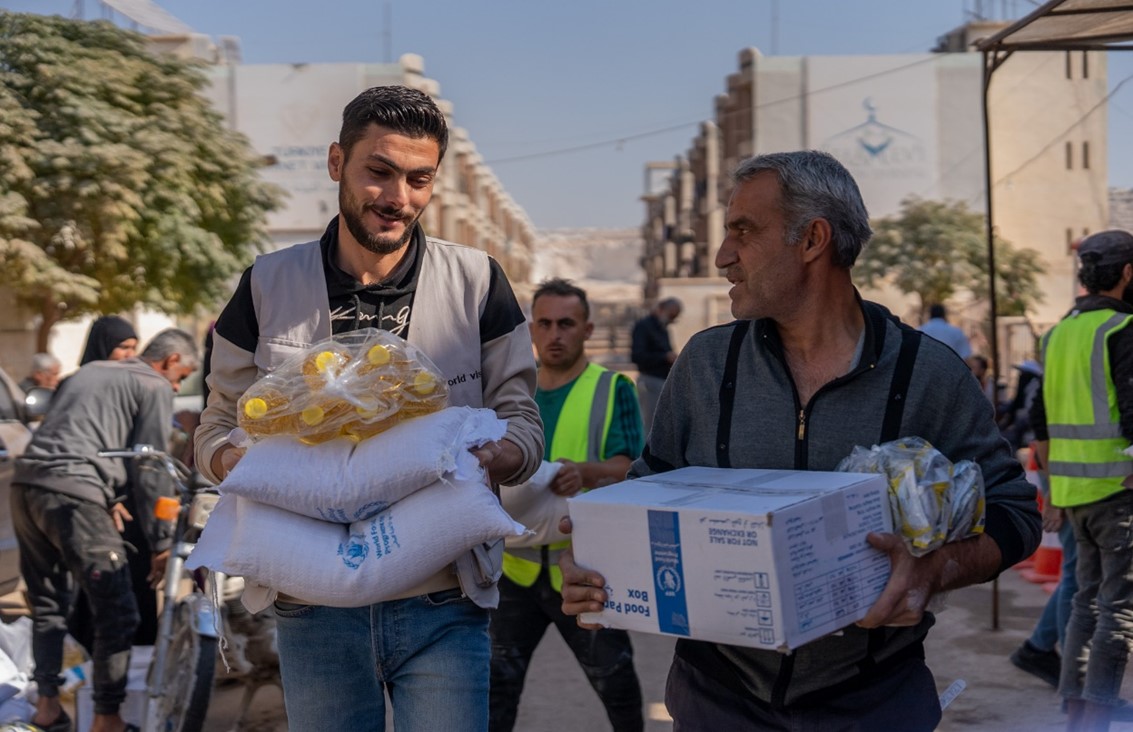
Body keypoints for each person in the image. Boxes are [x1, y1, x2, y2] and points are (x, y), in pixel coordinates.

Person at [560, 150, 1040, 730]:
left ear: (813, 239)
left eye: (743, 231)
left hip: (873, 702)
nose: (722, 256)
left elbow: (1015, 511)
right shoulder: (707, 365)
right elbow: (649, 489)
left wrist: (934, 570)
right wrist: (599, 558)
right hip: (716, 697)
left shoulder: (927, 374)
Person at [194, 85, 543, 732]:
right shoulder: (269, 284)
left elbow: (521, 419)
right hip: (312, 608)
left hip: (442, 597)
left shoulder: (476, 281)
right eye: (378, 172)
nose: (398, 198)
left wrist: (504, 454)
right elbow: (216, 422)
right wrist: (231, 458)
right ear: (336, 164)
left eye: (418, 179)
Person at [11, 329, 199, 732]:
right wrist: (162, 540)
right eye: (181, 375)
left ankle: (47, 708)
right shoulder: (152, 384)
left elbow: (75, 435)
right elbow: (149, 467)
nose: (178, 385)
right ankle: (107, 720)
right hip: (73, 490)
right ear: (169, 361)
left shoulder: (92, 371)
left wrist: (108, 496)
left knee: (47, 605)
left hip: (26, 486)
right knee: (119, 611)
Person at [491, 278, 644, 732]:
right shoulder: (509, 392)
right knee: (495, 694)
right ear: (530, 330)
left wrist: (588, 472)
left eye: (566, 324)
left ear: (587, 329)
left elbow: (634, 469)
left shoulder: (612, 388)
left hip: (583, 569)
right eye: (544, 323)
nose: (555, 334)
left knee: (616, 686)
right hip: (514, 568)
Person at [1030, 230, 1133, 732]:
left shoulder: (1057, 334)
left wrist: (1051, 493)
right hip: (1118, 494)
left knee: (1084, 603)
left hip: (1073, 496)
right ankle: (1095, 719)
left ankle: (1076, 715)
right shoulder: (1123, 329)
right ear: (1128, 273)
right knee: (1117, 611)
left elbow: (1041, 424)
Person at [630, 297, 681, 431]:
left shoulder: (662, 327)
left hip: (662, 380)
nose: (671, 320)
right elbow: (637, 356)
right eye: (671, 316)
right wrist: (664, 357)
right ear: (661, 310)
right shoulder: (644, 326)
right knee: (650, 426)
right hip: (650, 381)